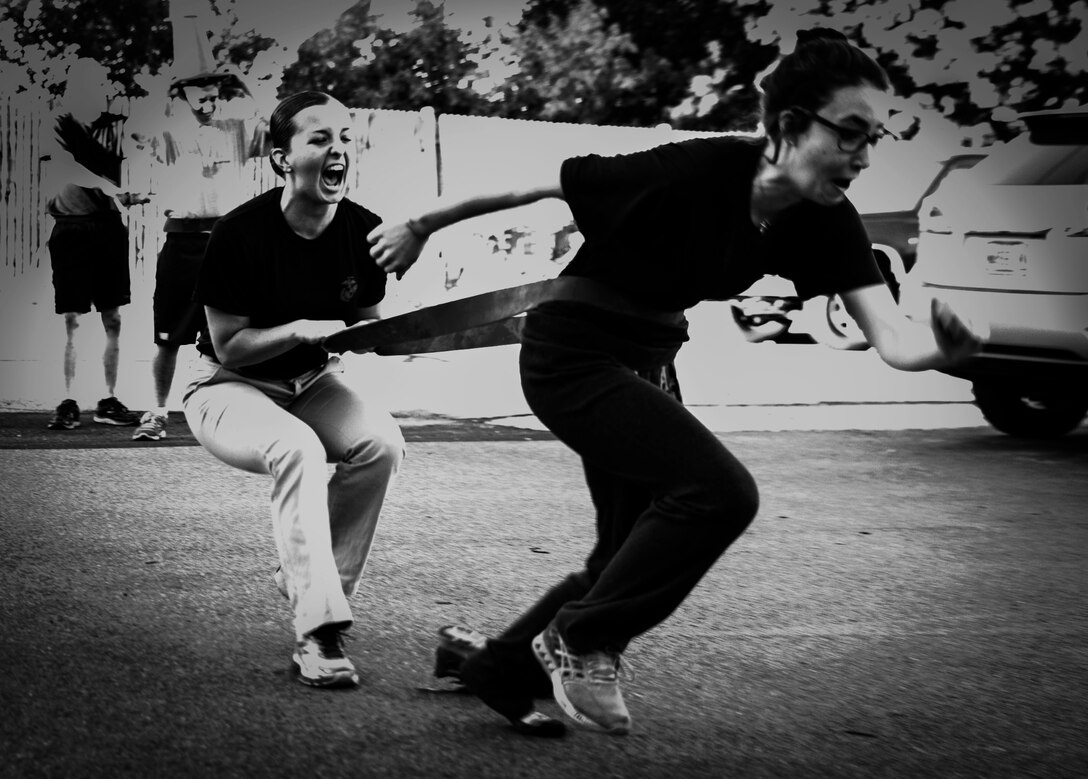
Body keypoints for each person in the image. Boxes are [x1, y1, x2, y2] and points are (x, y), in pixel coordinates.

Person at [366, 28, 984, 736]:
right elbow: (539, 181)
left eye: (876, 138)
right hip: (572, 354)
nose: (864, 157)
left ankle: (502, 668)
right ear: (787, 125)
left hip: (650, 361)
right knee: (719, 493)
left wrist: (946, 349)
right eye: (850, 133)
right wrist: (419, 223)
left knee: (623, 553)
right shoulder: (696, 169)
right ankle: (580, 639)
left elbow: (895, 339)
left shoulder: (827, 221)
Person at [183, 91, 405, 688]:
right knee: (298, 448)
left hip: (313, 381)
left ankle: (314, 583)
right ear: (282, 158)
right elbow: (228, 346)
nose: (338, 150)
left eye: (346, 138)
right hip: (228, 386)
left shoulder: (364, 229)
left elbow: (372, 321)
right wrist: (303, 327)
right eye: (319, 138)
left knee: (381, 443)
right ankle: (318, 630)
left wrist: (405, 331)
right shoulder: (238, 234)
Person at [130, 70, 267, 442]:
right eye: (199, 99)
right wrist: (169, 90)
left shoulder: (237, 129)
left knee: (231, 338)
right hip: (181, 242)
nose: (208, 106)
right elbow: (139, 131)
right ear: (182, 98)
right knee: (168, 338)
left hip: (224, 243)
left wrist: (246, 86)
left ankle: (235, 414)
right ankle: (158, 413)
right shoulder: (168, 132)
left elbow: (275, 131)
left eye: (213, 98)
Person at [43, 59, 143, 430]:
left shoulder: (117, 126)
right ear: (74, 87)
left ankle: (108, 401)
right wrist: (120, 189)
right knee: (73, 320)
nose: (99, 90)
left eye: (103, 84)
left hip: (108, 229)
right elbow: (68, 169)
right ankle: (68, 402)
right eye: (90, 84)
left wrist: (139, 188)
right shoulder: (58, 122)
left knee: (113, 317)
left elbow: (134, 167)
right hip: (71, 228)